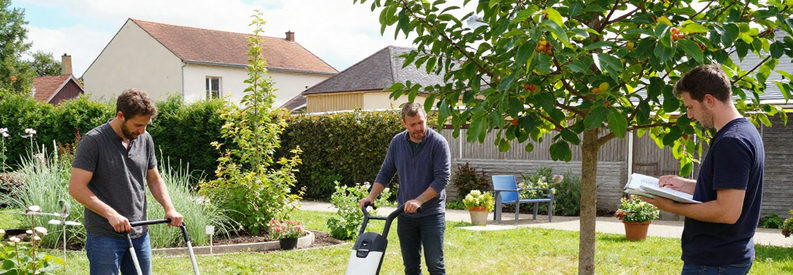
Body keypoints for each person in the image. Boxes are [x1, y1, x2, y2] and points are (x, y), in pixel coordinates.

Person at [642, 64, 764, 275]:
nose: (689, 115)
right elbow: (730, 189)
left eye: (690, 107)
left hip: (715, 262)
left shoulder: (732, 141)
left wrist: (671, 206)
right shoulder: (745, 131)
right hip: (724, 258)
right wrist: (684, 185)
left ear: (708, 100)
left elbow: (727, 211)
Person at [69, 88, 183, 275]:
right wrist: (111, 214)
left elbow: (154, 179)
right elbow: (76, 188)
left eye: (146, 125)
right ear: (121, 115)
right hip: (104, 236)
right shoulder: (94, 141)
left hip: (140, 233)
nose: (143, 130)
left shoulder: (144, 139)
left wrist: (169, 208)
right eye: (138, 125)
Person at [359, 102, 451, 275]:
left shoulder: (438, 143)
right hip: (405, 215)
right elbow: (386, 172)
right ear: (404, 124)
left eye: (421, 122)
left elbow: (442, 179)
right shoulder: (397, 142)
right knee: (411, 267)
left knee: (435, 266)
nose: (418, 128)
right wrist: (371, 197)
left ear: (426, 118)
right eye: (413, 124)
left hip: (431, 215)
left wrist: (419, 201)